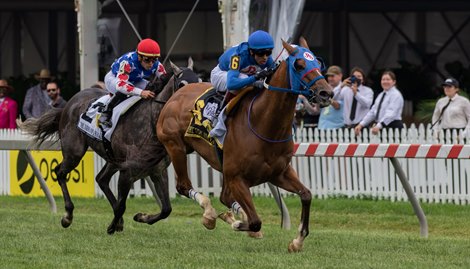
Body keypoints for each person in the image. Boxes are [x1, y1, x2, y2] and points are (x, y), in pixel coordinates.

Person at [102, 38, 166, 126]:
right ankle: (107, 111)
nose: (151, 64)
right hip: (114, 79)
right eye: (147, 60)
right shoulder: (128, 62)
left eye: (154, 59)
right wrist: (141, 92)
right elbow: (121, 85)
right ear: (139, 57)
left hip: (135, 80)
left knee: (152, 87)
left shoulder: (157, 64)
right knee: (125, 90)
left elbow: (165, 79)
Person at [210, 30, 275, 111]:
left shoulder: (266, 58)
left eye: (268, 52)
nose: (265, 57)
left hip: (241, 74)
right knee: (244, 78)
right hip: (221, 74)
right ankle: (222, 112)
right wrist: (255, 78)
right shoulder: (237, 57)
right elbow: (231, 84)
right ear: (251, 52)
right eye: (261, 53)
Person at [355, 70, 404, 136]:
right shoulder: (381, 95)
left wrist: (379, 125)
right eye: (383, 79)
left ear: (394, 82)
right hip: (381, 127)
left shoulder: (396, 95)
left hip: (392, 128)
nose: (385, 81)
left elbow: (391, 113)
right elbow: (372, 112)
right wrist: (361, 124)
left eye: (388, 79)